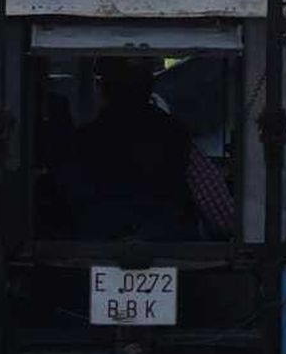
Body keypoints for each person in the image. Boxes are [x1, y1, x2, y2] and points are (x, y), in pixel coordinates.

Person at [60, 59, 234, 241]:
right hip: (169, 246)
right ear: (150, 88)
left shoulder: (82, 141)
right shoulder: (175, 136)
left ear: (100, 90)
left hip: (94, 245)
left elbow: (67, 197)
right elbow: (221, 213)